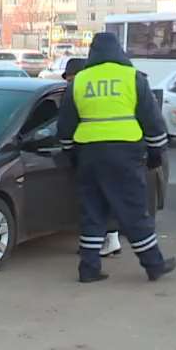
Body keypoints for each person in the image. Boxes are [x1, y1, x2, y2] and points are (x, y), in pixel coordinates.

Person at [57, 32, 176, 283]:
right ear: (118, 51)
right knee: (134, 211)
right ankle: (154, 265)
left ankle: (88, 269)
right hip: (124, 153)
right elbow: (153, 122)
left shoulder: (79, 81)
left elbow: (65, 126)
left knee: (93, 212)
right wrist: (156, 154)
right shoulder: (132, 78)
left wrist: (71, 155)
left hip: (88, 154)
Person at [61, 57, 123, 259]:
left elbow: (66, 127)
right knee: (104, 198)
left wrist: (69, 148)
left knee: (94, 202)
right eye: (68, 80)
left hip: (89, 152)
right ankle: (107, 241)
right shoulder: (95, 92)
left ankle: (97, 248)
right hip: (113, 150)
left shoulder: (81, 94)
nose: (70, 84)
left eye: (72, 79)